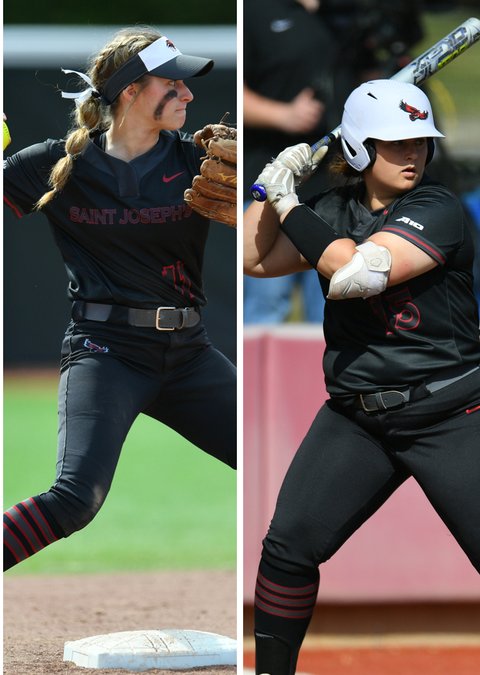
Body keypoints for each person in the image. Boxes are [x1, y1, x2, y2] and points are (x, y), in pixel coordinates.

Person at [244, 79, 480, 675]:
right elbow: (252, 259)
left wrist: (288, 202)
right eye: (394, 143)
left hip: (450, 413)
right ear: (357, 148)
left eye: (419, 142)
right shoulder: (333, 210)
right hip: (358, 418)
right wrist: (269, 184)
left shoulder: (437, 208)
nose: (413, 154)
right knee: (287, 549)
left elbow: (357, 276)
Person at [1, 28, 237, 569]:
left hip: (188, 354)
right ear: (131, 91)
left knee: (278, 468)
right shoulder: (56, 165)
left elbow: (264, 226)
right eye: (172, 83)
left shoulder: (202, 162)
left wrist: (272, 192)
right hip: (105, 351)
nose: (188, 94)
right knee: (75, 499)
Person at [243, 0, 343, 324]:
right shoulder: (254, 11)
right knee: (266, 305)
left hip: (334, 189)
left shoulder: (345, 12)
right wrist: (283, 115)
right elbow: (236, 90)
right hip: (270, 184)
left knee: (331, 307)